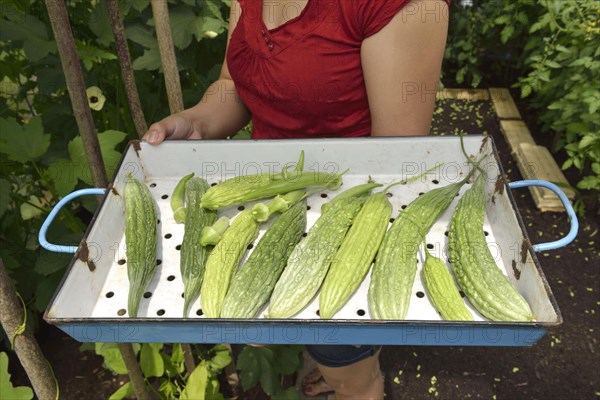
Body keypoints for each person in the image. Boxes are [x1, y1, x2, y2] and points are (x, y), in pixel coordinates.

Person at [143, 0, 449, 398]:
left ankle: (353, 382)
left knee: (346, 366)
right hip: (265, 204)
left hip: (347, 220)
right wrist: (199, 121)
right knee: (257, 321)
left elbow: (396, 162)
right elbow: (235, 84)